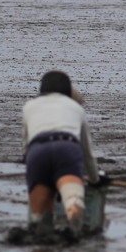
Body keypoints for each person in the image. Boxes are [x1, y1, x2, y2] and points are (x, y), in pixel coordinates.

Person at [21, 70, 100, 232]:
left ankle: (40, 231)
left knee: (39, 214)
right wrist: (94, 179)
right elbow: (87, 152)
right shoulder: (76, 108)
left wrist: (30, 166)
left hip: (37, 150)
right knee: (73, 198)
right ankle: (73, 214)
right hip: (67, 147)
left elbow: (25, 146)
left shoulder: (29, 106)